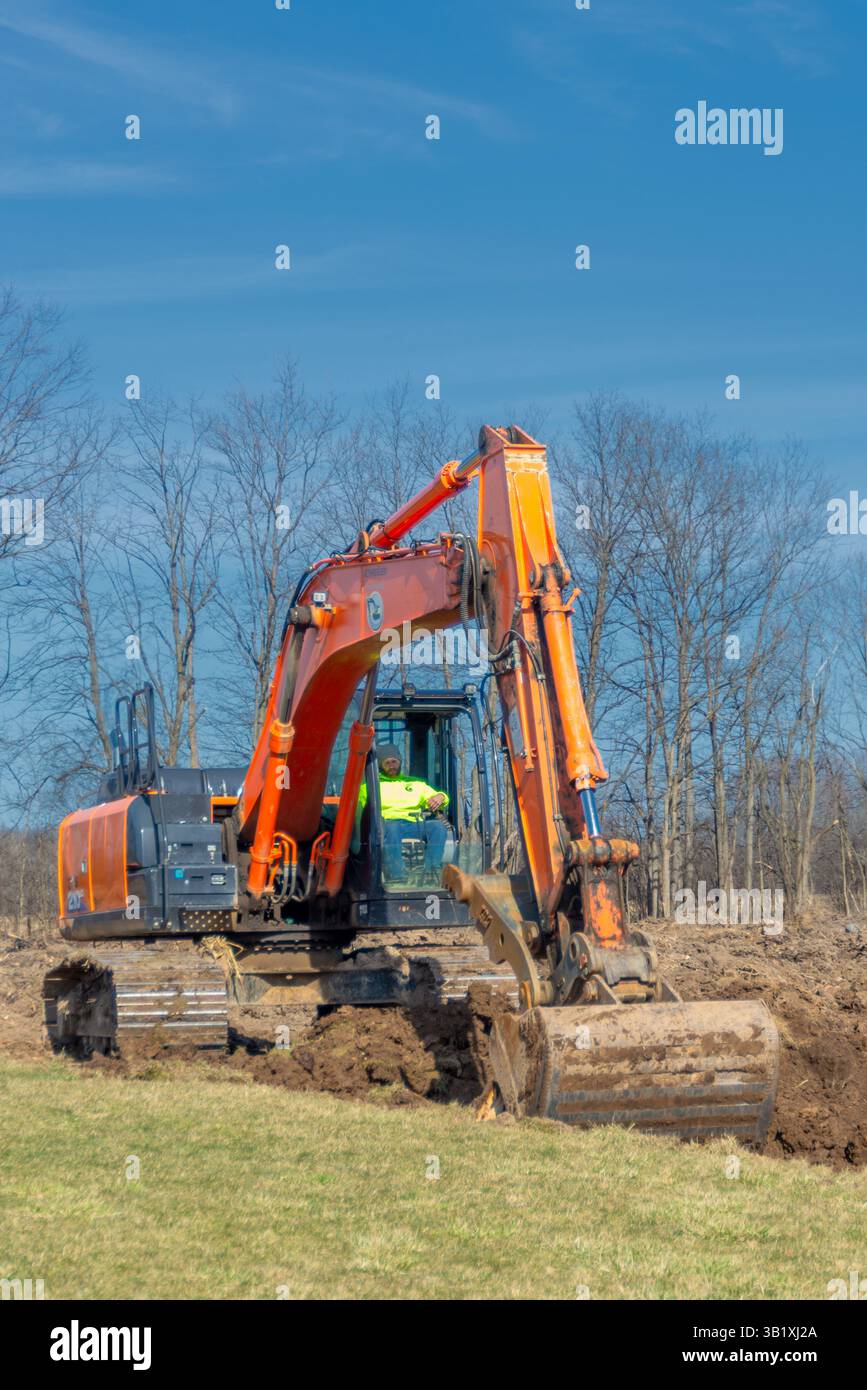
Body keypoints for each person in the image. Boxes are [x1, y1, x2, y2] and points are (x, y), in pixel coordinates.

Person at [358, 744, 450, 881]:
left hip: (414, 825)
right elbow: (358, 808)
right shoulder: (370, 786)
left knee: (438, 827)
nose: (391, 765)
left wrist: (441, 796)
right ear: (381, 765)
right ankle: (397, 875)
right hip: (386, 825)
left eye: (394, 761)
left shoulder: (416, 784)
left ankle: (431, 871)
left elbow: (440, 798)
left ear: (399, 762)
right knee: (392, 827)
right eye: (387, 762)